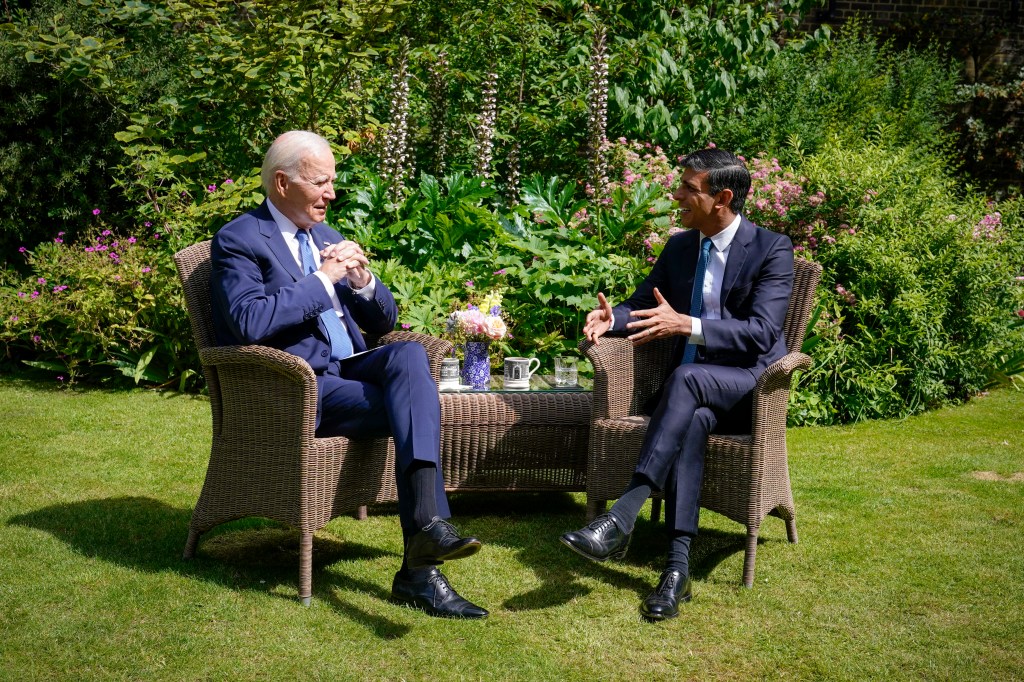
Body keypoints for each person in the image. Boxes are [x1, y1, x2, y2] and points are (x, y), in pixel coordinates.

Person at [210, 130, 487, 619]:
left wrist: (362, 281)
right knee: (417, 411)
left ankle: (425, 534)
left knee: (405, 356)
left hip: (350, 368)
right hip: (298, 388)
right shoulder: (239, 239)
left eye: (333, 181)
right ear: (281, 183)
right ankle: (422, 566)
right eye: (321, 183)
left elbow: (383, 322)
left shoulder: (327, 236)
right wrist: (323, 281)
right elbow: (250, 321)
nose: (332, 194)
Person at [560, 148, 794, 621]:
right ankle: (676, 570)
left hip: (749, 387)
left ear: (722, 198)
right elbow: (644, 303)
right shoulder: (681, 246)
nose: (678, 195)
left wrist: (687, 325)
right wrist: (612, 319)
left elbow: (764, 333)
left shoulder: (772, 249)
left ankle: (624, 514)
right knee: (690, 415)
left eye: (689, 188)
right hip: (689, 398)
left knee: (687, 379)